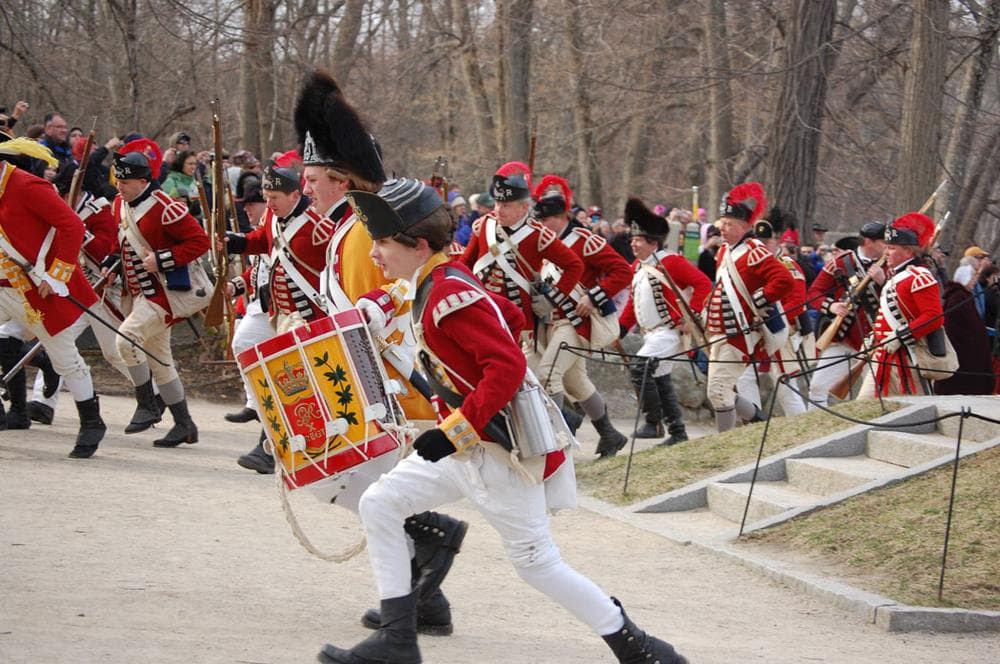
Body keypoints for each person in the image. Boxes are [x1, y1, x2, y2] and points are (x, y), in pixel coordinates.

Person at [317, 177, 688, 664]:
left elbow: (508, 367)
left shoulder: (448, 291)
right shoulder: (437, 277)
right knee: (381, 503)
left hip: (496, 449)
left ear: (419, 244)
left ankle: (639, 647)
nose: (375, 255)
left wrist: (453, 431)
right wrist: (380, 304)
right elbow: (507, 315)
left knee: (537, 564)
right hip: (466, 444)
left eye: (383, 243)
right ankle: (396, 640)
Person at [293, 71, 467, 637]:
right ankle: (427, 599)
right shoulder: (348, 229)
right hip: (375, 384)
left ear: (341, 181)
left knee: (341, 481)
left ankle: (431, 541)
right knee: (345, 484)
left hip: (393, 388)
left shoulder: (365, 235)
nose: (306, 188)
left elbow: (396, 308)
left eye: (313, 178)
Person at [0, 138, 106, 456]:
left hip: (36, 285)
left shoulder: (27, 185)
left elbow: (71, 225)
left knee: (64, 357)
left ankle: (91, 421)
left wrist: (56, 274)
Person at [108, 139, 210, 446]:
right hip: (141, 293)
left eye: (125, 182)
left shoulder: (166, 207)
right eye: (118, 181)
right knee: (161, 361)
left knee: (126, 340)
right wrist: (111, 262)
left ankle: (146, 404)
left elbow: (199, 242)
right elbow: (124, 244)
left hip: (163, 294)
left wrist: (163, 259)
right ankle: (184, 424)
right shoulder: (123, 204)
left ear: (143, 181)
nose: (119, 187)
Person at [531, 175, 632, 457]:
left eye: (547, 220)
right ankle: (609, 434)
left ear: (562, 216)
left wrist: (593, 296)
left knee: (547, 375)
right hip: (554, 321)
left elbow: (623, 272)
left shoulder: (584, 240)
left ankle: (556, 443)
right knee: (576, 383)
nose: (542, 226)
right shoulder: (545, 244)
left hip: (576, 322)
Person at [459, 162, 584, 348]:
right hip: (482, 310)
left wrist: (552, 300)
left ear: (524, 207)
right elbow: (466, 263)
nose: (499, 210)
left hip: (517, 322)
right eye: (497, 203)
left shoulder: (538, 234)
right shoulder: (484, 224)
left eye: (506, 205)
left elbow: (574, 266)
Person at [619, 198, 712, 444]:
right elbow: (632, 304)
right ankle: (678, 432)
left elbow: (703, 283)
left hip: (669, 331)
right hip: (651, 333)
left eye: (638, 240)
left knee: (640, 367)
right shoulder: (637, 267)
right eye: (632, 239)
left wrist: (691, 315)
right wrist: (619, 330)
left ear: (652, 242)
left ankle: (653, 422)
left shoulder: (671, 262)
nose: (633, 244)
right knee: (660, 379)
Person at [704, 183, 794, 432]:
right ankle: (759, 422)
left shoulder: (755, 251)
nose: (722, 227)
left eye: (729, 224)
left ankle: (723, 445)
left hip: (740, 333)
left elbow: (784, 281)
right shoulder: (724, 251)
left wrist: (759, 299)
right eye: (722, 222)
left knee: (718, 392)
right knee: (720, 391)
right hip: (720, 332)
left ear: (745, 227)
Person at [858, 214, 945, 397]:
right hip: (885, 355)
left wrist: (901, 335)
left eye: (891, 248)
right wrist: (876, 336)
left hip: (908, 359)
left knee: (914, 415)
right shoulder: (897, 276)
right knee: (866, 409)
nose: (886, 252)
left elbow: (934, 317)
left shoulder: (919, 277)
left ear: (908, 251)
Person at [735, 208, 809, 418]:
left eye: (767, 242)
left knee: (785, 387)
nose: (763, 245)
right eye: (760, 241)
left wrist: (767, 319)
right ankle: (754, 425)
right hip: (753, 332)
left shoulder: (788, 266)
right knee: (744, 378)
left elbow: (796, 303)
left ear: (777, 242)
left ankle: (801, 429)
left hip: (780, 332)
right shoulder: (750, 264)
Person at [806, 222, 886, 408]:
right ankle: (815, 429)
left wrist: (883, 281)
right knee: (817, 388)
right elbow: (814, 293)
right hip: (844, 336)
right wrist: (831, 306)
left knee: (875, 396)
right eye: (883, 242)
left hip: (875, 341)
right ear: (868, 242)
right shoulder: (842, 262)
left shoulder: (888, 265)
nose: (887, 248)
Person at [222, 182, 268, 429]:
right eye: (246, 205)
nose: (247, 210)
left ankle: (261, 408)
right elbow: (257, 271)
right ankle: (255, 404)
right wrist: (235, 286)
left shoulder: (276, 228)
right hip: (262, 304)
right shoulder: (258, 230)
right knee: (242, 343)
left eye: (252, 204)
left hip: (282, 305)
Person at [161, 150, 203, 221]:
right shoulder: (171, 181)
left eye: (195, 164)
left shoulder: (194, 182)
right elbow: (164, 207)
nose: (193, 167)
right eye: (190, 164)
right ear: (181, 164)